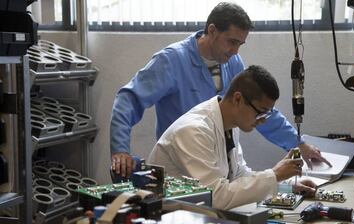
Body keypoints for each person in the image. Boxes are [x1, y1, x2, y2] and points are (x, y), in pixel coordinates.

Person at [110, 2, 331, 178]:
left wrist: (298, 143)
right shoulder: (171, 61)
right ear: (212, 30)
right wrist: (120, 149)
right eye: (231, 42)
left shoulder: (232, 63)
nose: (235, 50)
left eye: (240, 45)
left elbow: (258, 109)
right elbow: (128, 99)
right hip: (183, 167)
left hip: (220, 162)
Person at [147, 65, 317, 210]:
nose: (263, 119)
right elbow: (215, 198)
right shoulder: (193, 131)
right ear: (238, 99)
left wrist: (284, 186)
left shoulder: (229, 125)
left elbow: (238, 176)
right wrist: (274, 175)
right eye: (260, 112)